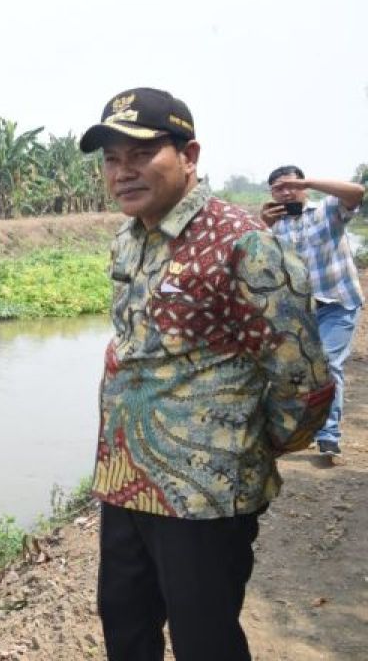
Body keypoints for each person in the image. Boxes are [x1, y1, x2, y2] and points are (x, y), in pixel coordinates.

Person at [78, 87, 333, 661]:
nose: (124, 172)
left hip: (205, 495)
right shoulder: (129, 239)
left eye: (141, 154)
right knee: (125, 624)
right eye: (113, 159)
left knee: (205, 641)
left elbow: (304, 381)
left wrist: (242, 445)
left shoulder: (243, 243)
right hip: (125, 479)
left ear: (188, 155)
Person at [260, 165, 364, 458]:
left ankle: (328, 434)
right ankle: (294, 428)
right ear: (271, 193)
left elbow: (357, 192)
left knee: (329, 364)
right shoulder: (274, 223)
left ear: (304, 186)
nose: (286, 191)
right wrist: (261, 226)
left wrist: (311, 181)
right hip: (297, 311)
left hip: (337, 304)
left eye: (292, 185)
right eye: (279, 188)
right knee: (295, 370)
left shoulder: (327, 210)